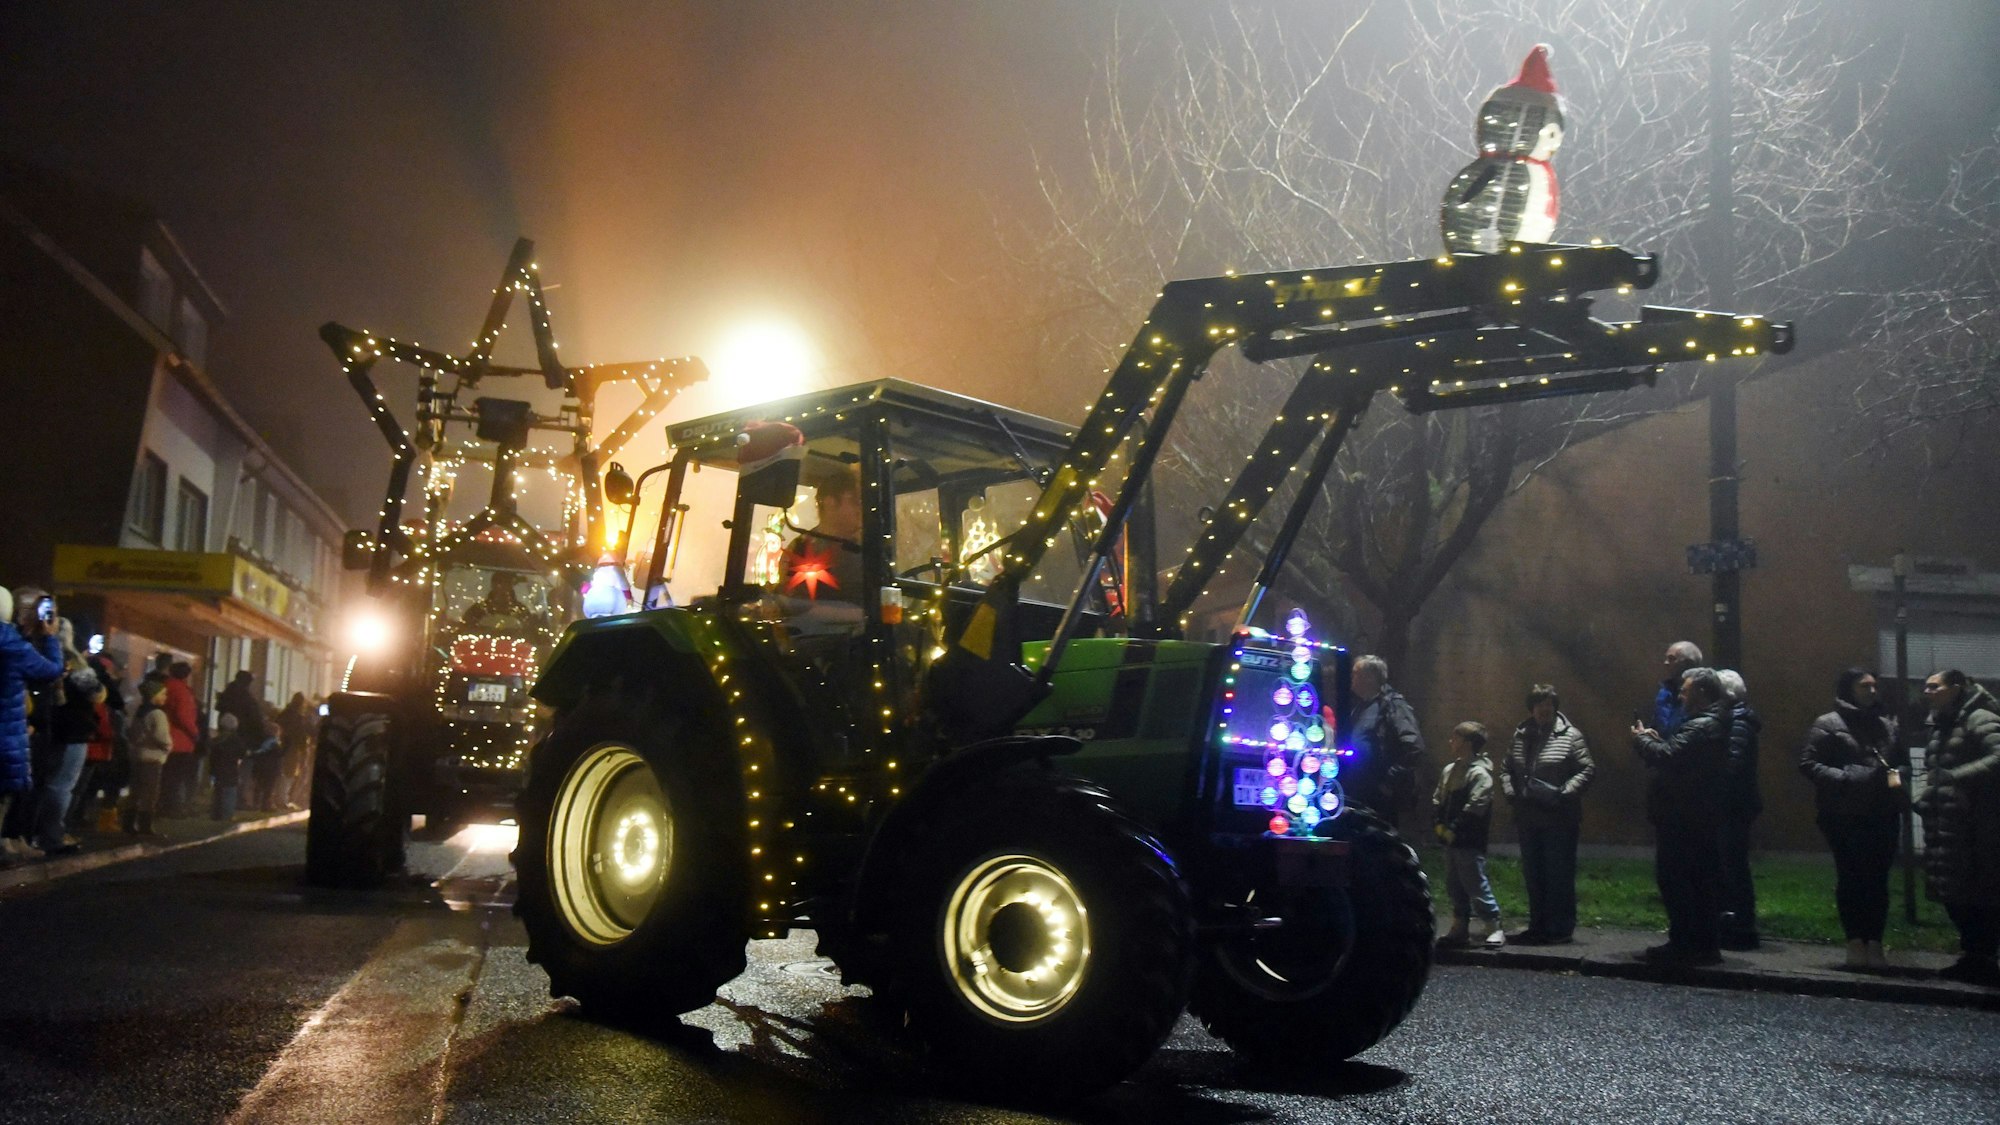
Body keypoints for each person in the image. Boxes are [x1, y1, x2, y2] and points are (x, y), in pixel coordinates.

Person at [1799, 668, 1904, 969]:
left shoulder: (1886, 725)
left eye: (1874, 686)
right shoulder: (1829, 723)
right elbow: (1808, 762)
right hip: (1843, 813)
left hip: (1882, 811)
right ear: (1848, 689)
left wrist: (1896, 780)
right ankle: (1855, 941)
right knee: (1851, 876)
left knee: (1878, 880)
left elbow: (1900, 762)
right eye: (1864, 686)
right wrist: (1845, 778)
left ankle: (1875, 942)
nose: (1872, 691)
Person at [1631, 665, 1732, 966]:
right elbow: (1676, 752)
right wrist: (1656, 741)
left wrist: (1641, 739)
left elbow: (1668, 756)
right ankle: (1700, 944)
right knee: (1698, 882)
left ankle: (1685, 944)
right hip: (1695, 815)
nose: (1681, 697)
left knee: (1678, 880)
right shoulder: (1709, 722)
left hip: (1684, 817)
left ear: (1701, 691)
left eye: (1686, 691)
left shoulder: (1701, 726)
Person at [1913, 669, 2000, 986]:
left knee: (1978, 891)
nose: (1927, 692)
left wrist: (1955, 778)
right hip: (1947, 822)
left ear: (1957, 687)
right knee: (1954, 892)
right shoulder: (1941, 724)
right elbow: (1932, 769)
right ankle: (1973, 956)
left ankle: (1983, 958)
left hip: (1977, 824)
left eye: (1934, 687)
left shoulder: (1979, 718)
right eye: (1925, 687)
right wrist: (1923, 796)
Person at [1500, 683, 1594, 945]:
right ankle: (1538, 925)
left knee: (1558, 873)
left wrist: (1563, 793)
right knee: (1534, 874)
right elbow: (1506, 768)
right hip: (1528, 816)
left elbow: (1587, 769)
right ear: (1531, 708)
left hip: (1559, 817)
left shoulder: (1570, 736)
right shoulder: (1520, 736)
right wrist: (1511, 792)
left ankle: (1560, 928)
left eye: (1549, 704)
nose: (1544, 709)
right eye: (1539, 704)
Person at [0, 586, 63, 867]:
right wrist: (50, 638)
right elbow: (51, 670)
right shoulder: (14, 646)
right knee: (5, 793)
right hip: (7, 732)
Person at [1433, 721, 1504, 948]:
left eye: (1456, 738)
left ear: (1468, 743)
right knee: (1454, 884)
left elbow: (1475, 807)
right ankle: (1459, 925)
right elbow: (1439, 799)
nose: (1451, 742)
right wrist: (1439, 823)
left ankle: (1493, 925)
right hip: (1451, 839)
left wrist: (1454, 828)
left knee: (1474, 882)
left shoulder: (1479, 774)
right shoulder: (1450, 770)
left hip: (1469, 839)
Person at [37, 630, 105, 856]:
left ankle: (38, 833)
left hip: (49, 730)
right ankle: (52, 836)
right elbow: (97, 694)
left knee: (47, 784)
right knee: (61, 786)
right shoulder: (74, 663)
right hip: (72, 732)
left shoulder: (41, 656)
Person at [1346, 654, 1427, 830]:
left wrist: (1388, 783)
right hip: (1360, 791)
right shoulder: (1361, 706)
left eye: (1356, 673)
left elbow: (1414, 747)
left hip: (1379, 796)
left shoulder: (1392, 705)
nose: (1351, 678)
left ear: (1370, 677)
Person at [1715, 669, 1764, 950]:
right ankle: (1737, 922)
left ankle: (1740, 925)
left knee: (1731, 864)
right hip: (1738, 804)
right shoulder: (1739, 720)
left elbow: (1730, 764)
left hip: (1732, 805)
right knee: (1732, 863)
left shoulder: (1736, 723)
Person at [778, 465, 864, 604]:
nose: (861, 509)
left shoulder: (869, 549)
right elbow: (791, 604)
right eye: (855, 501)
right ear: (830, 502)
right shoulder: (799, 548)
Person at [123, 679, 173, 837]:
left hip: (137, 755)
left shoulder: (140, 711)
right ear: (154, 695)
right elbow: (162, 736)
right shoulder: (158, 714)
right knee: (150, 793)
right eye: (163, 694)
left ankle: (128, 823)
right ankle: (145, 825)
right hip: (152, 757)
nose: (165, 697)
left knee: (135, 791)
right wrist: (168, 747)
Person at [160, 660, 201, 817]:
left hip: (169, 738)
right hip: (181, 740)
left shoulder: (166, 687)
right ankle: (174, 808)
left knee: (167, 777)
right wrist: (195, 733)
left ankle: (165, 806)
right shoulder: (182, 691)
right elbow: (184, 715)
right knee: (177, 777)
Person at [1653, 640, 1704, 736]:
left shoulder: (1701, 693)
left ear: (1689, 663)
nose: (1666, 663)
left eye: (1671, 659)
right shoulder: (1664, 691)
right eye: (1666, 658)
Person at [208, 712, 247, 821]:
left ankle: (216, 814)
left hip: (218, 769)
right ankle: (228, 814)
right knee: (230, 793)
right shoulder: (236, 740)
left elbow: (212, 755)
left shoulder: (217, 740)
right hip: (231, 769)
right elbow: (242, 753)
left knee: (218, 793)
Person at [277, 693, 313, 811]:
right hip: (292, 748)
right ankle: (283, 799)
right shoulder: (298, 717)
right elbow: (301, 734)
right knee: (289, 774)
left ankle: (280, 798)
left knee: (282, 774)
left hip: (281, 746)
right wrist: (304, 749)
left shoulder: (284, 714)